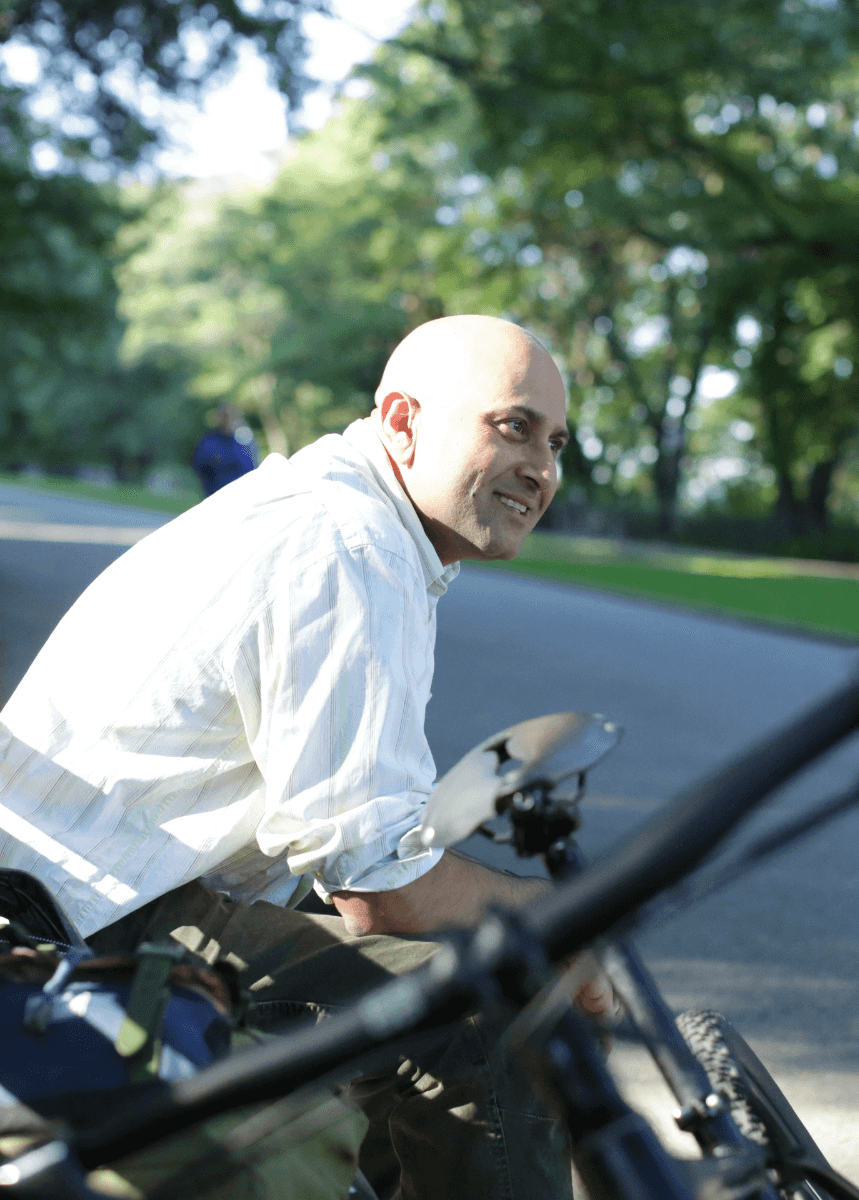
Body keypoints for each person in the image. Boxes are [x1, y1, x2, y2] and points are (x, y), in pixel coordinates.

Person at [0, 315, 576, 1198]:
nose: (542, 468)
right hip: (74, 933)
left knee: (447, 955)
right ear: (401, 421)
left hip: (103, 894)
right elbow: (380, 888)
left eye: (556, 441)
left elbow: (346, 834)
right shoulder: (350, 542)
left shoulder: (352, 521)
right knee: (492, 1004)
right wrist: (551, 921)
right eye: (513, 427)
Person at [190, 403, 258, 495]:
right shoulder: (210, 441)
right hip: (216, 495)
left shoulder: (244, 439)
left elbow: (252, 468)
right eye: (224, 415)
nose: (228, 419)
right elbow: (198, 466)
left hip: (242, 495)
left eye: (231, 415)